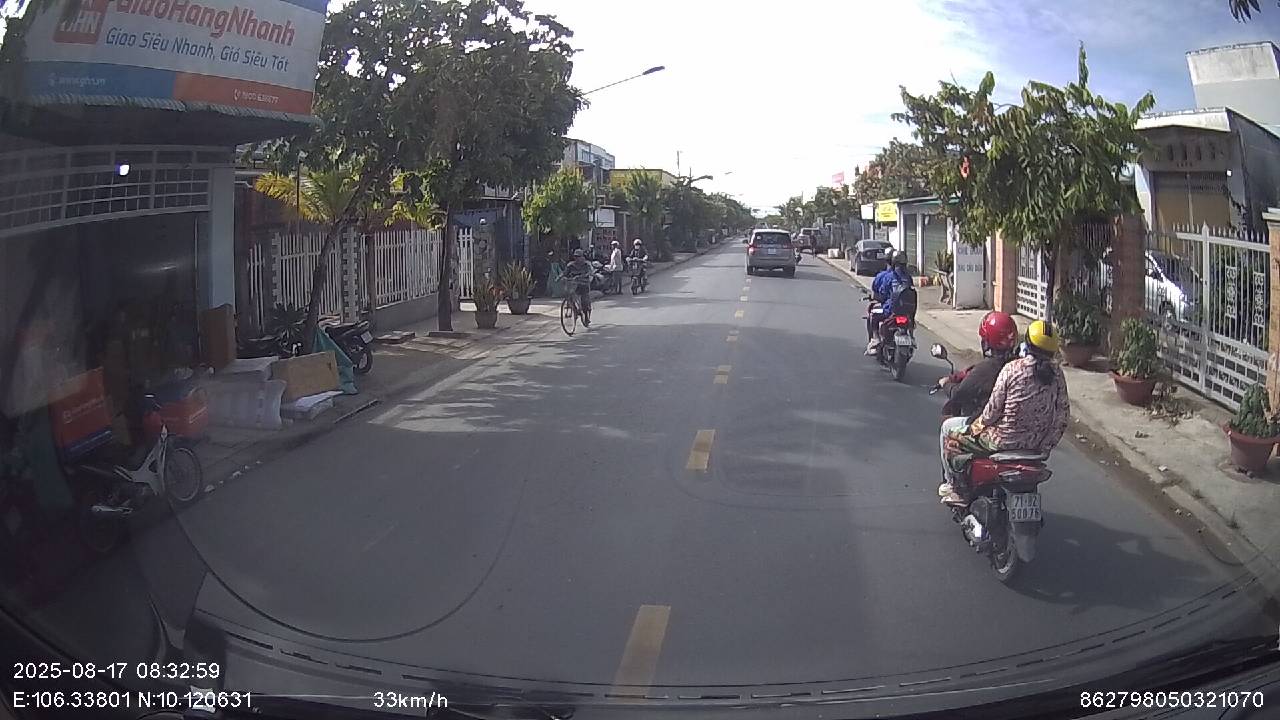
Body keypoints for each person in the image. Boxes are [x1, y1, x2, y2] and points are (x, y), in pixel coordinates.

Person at [939, 320, 1071, 504]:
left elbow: (991, 412)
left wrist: (974, 429)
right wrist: (1046, 445)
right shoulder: (1058, 375)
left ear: (1027, 343)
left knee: (952, 439)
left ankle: (957, 489)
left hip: (1002, 441)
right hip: (1037, 447)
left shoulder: (1012, 369)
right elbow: (1062, 416)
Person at [936, 312, 1019, 478]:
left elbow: (960, 394)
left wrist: (946, 384)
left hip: (994, 429)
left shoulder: (987, 368)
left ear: (987, 341)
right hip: (1020, 431)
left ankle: (950, 481)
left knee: (947, 427)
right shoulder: (1021, 365)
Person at [865, 250, 914, 355]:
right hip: (907, 312)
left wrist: (880, 299)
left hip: (890, 310)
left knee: (873, 315)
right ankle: (911, 337)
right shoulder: (908, 277)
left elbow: (882, 293)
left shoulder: (889, 276)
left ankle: (876, 339)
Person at [564, 248, 593, 326]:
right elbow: (565, 273)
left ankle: (586, 316)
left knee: (584, 302)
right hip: (574, 284)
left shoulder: (586, 265)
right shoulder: (570, 265)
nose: (577, 258)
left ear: (582, 257)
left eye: (579, 257)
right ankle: (575, 310)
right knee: (570, 296)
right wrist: (561, 277)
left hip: (584, 284)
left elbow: (590, 272)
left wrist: (583, 276)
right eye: (576, 257)